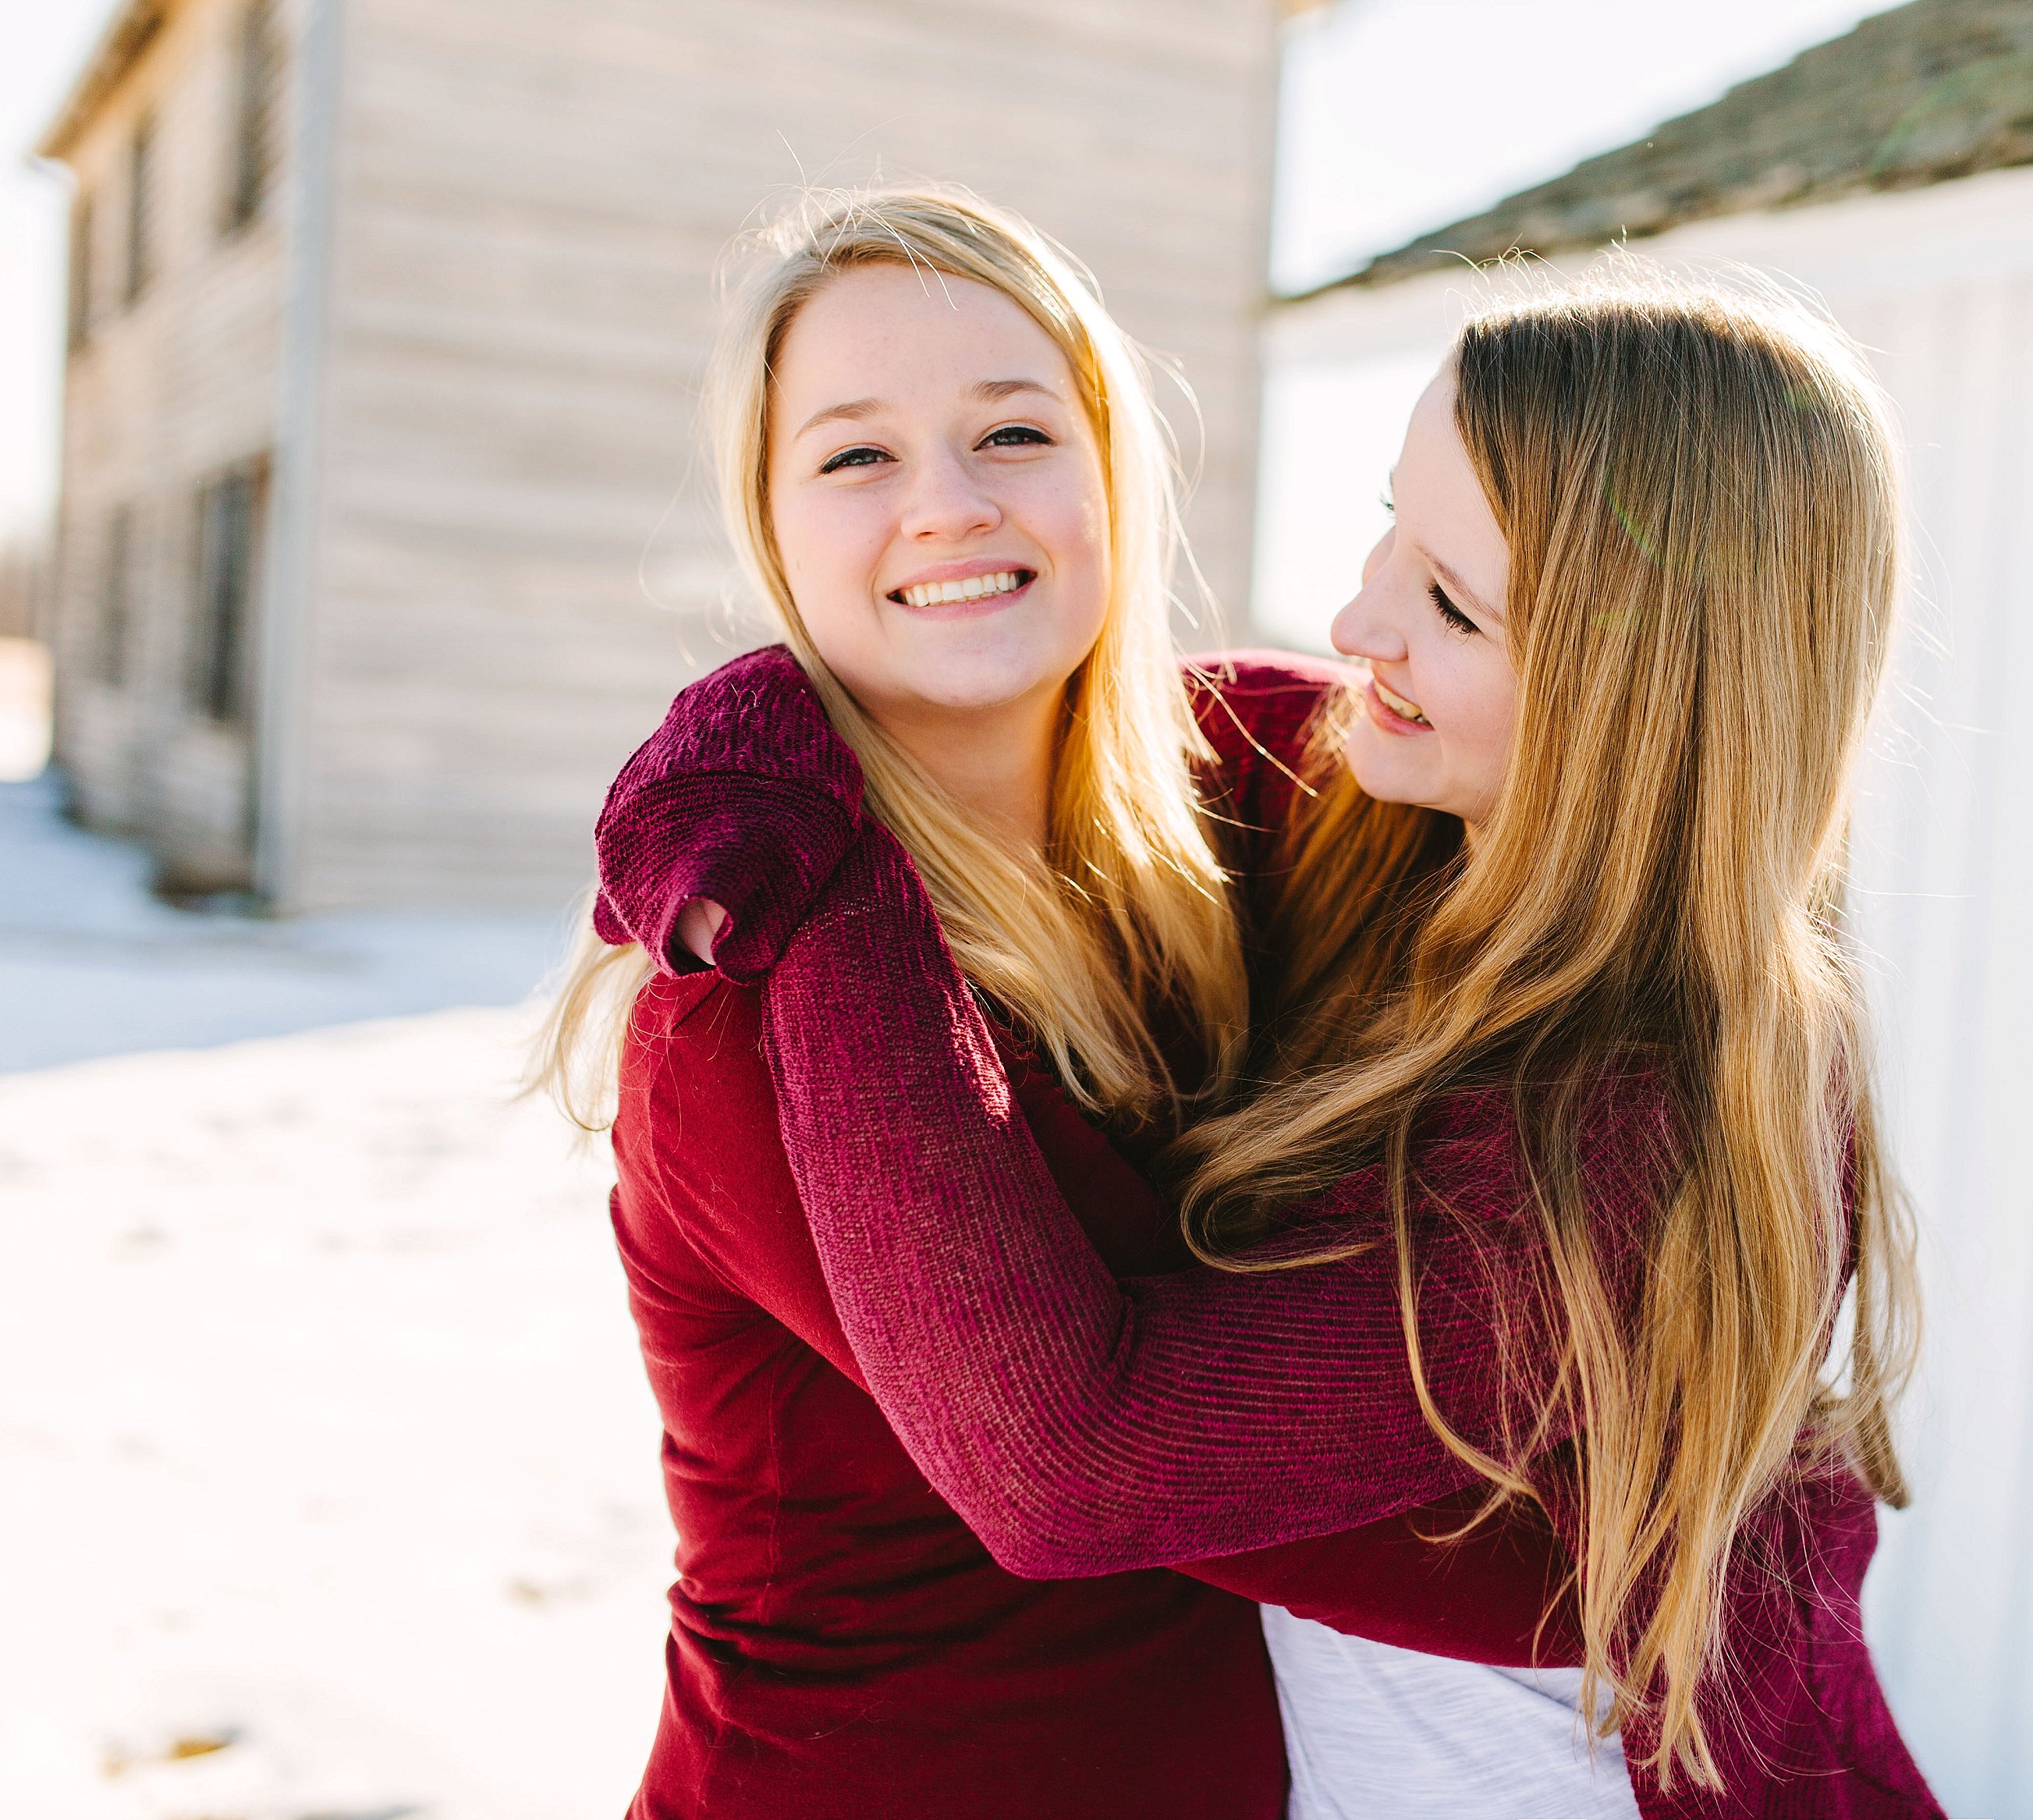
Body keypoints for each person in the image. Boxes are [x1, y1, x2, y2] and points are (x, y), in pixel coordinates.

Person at [597, 260, 1944, 1819]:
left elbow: (1082, 1466)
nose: (1356, 617)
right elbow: (1200, 730)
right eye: (850, 453)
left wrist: (1734, 1537)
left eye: (1447, 598)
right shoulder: (771, 991)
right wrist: (755, 736)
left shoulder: (1628, 1108)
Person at [541, 187, 1575, 1820]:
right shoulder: (752, 987)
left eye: (1012, 432)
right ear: (770, 522)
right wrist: (1691, 1521)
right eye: (854, 455)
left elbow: (1573, 762)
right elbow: (1192, 1491)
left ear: (1112, 465)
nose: (945, 505)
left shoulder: (1243, 807)